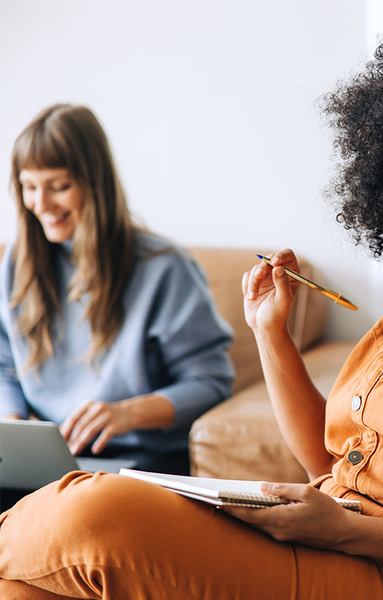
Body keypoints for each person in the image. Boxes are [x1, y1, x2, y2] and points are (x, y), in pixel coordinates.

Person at [0, 25, 383, 600]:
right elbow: (326, 465)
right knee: (30, 585)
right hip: (341, 546)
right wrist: (270, 331)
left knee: (89, 515)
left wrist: (344, 533)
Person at [0, 104, 234, 476]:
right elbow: (4, 366)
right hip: (47, 463)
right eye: (29, 187)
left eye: (58, 186)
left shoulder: (165, 267)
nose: (40, 205)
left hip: (137, 465)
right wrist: (13, 430)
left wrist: (126, 413)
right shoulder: (17, 262)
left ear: (94, 183)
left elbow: (211, 383)